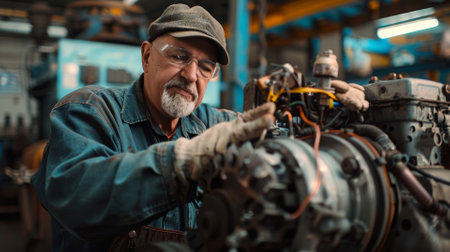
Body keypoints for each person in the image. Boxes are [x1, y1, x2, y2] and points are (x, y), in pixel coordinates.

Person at [31, 4, 275, 252]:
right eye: (179, 56)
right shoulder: (89, 110)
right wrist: (180, 163)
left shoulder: (216, 125)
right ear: (147, 57)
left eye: (205, 67)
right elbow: (77, 198)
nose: (192, 75)